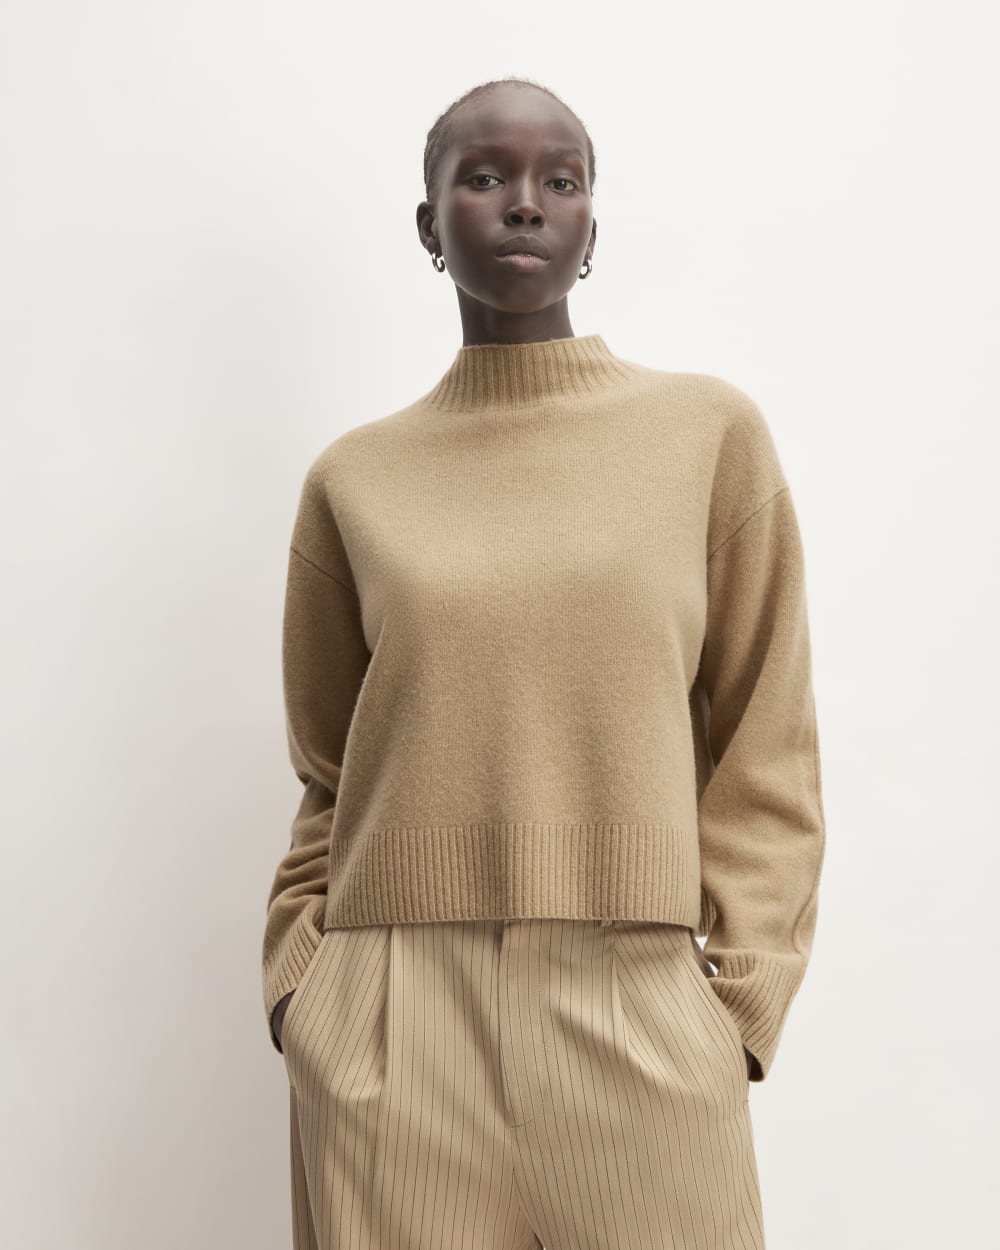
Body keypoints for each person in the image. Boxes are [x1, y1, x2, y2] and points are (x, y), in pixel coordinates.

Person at [261, 75, 826, 1250]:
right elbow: (326, 771)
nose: (524, 202)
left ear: (590, 228)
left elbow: (766, 739)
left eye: (558, 181)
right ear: (430, 223)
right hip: (392, 1021)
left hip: (639, 1003)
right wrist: (302, 986)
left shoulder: (707, 436)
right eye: (484, 177)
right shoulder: (354, 479)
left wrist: (738, 998)